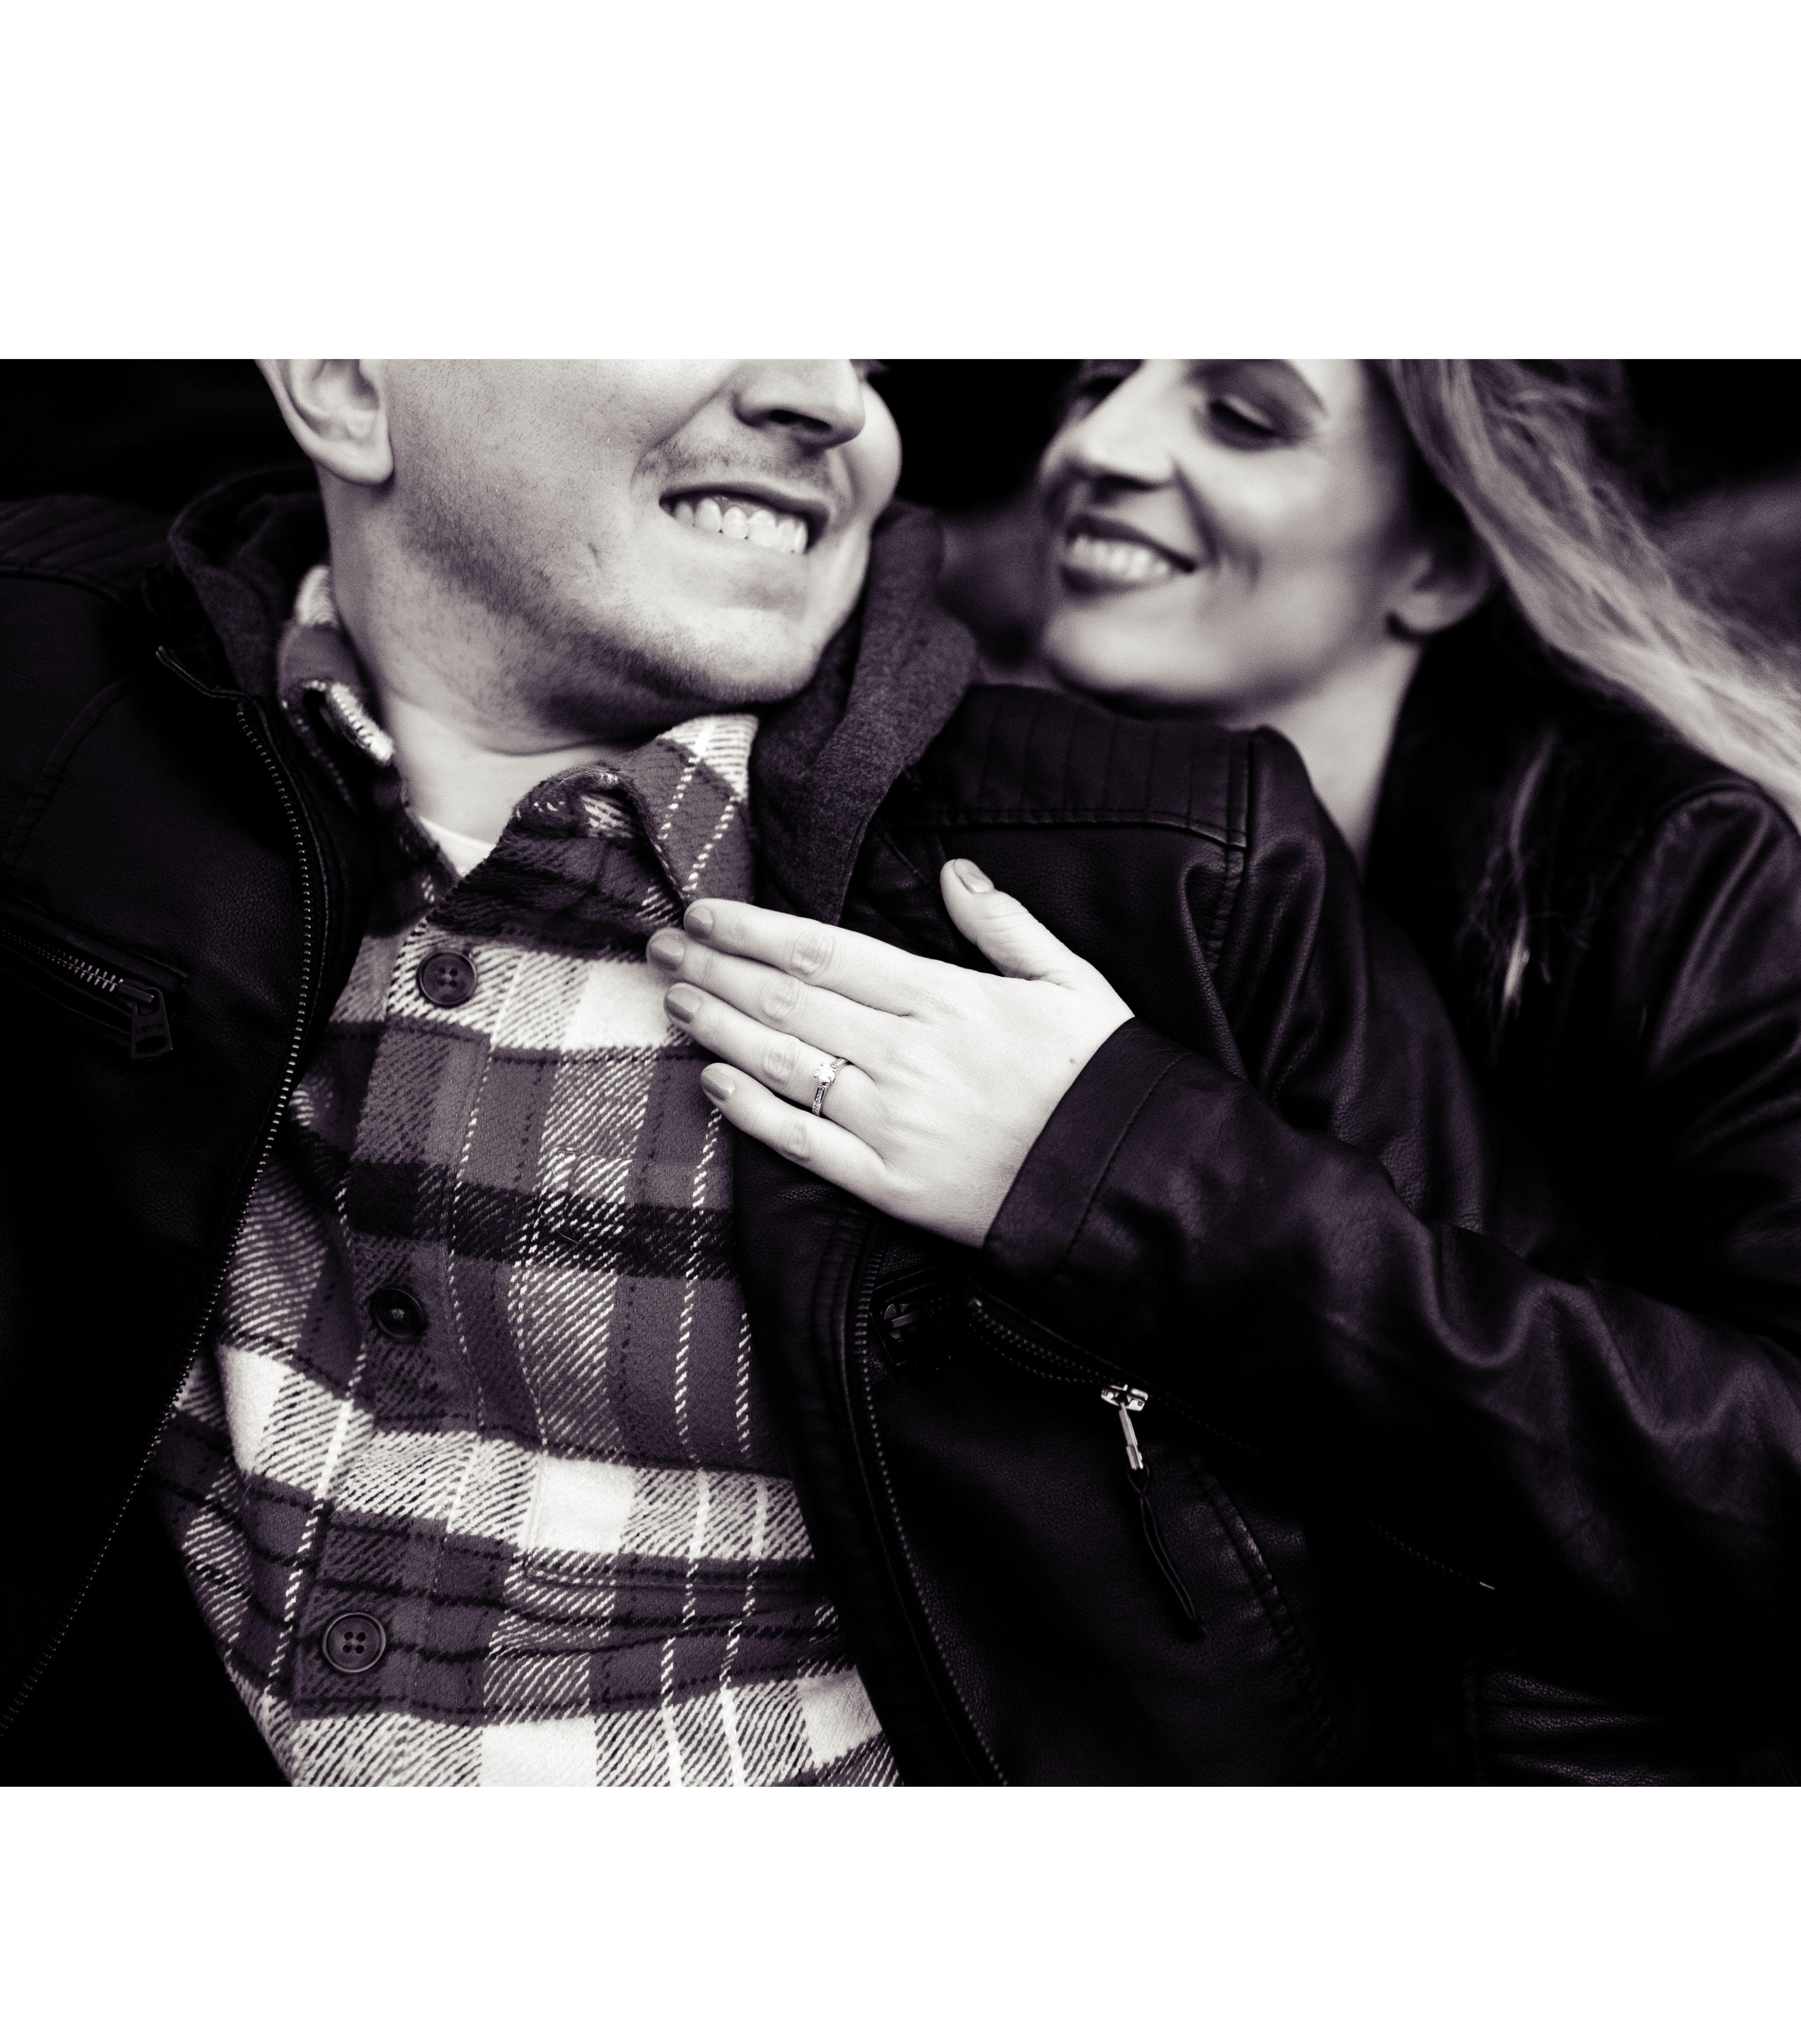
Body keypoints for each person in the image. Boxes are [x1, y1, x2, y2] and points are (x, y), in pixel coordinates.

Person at [0, 359, 1475, 1784]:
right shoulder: (58, 708)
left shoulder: (1172, 875)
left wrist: (1117, 1165)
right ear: (347, 380)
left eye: (864, 341)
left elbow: (1529, 1567)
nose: (831, 394)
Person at [647, 360, 1801, 1781]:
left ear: (1431, 561)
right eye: (1096, 384)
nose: (1103, 447)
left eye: (1242, 416)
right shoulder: (1023, 850)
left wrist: (1117, 1170)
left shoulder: (1649, 865)